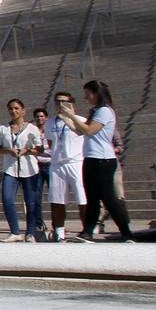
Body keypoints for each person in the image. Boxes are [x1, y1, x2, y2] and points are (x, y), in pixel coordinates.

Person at [60, 80, 132, 241]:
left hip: (103, 159)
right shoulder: (96, 111)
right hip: (91, 158)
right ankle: (87, 231)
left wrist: (72, 115)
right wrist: (67, 120)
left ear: (97, 93)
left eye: (88, 94)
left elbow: (90, 130)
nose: (86, 98)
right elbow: (81, 131)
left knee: (108, 198)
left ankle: (126, 231)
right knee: (91, 197)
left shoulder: (105, 111)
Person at [0, 98, 44, 242]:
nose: (13, 111)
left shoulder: (32, 128)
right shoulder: (3, 128)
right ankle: (15, 231)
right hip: (10, 168)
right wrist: (8, 150)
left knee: (31, 202)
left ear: (23, 110)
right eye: (10, 108)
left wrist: (27, 150)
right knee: (7, 198)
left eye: (16, 108)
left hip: (29, 169)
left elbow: (39, 149)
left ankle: (31, 232)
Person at [45, 89, 87, 244]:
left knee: (82, 199)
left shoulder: (80, 119)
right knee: (57, 200)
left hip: (76, 162)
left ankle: (86, 230)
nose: (60, 104)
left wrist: (70, 116)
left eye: (64, 101)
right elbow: (50, 142)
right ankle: (59, 231)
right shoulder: (51, 122)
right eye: (57, 101)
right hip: (57, 164)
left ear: (71, 103)